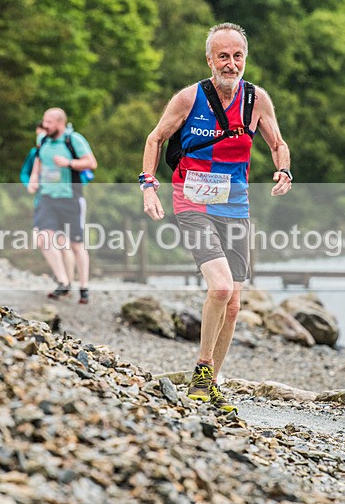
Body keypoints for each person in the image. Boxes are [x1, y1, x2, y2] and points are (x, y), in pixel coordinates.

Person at [140, 23, 293, 412]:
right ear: (209, 59)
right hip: (192, 201)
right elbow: (155, 138)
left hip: (236, 205)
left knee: (234, 303)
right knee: (221, 288)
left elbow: (278, 143)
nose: (231, 64)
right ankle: (202, 371)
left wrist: (284, 170)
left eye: (237, 56)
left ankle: (210, 386)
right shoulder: (189, 98)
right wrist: (148, 186)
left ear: (245, 58)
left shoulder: (256, 100)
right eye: (222, 56)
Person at [27, 108, 97, 303]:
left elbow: (91, 163)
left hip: (70, 197)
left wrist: (69, 163)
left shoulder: (73, 140)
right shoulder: (43, 140)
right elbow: (38, 162)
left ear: (59, 123)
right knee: (42, 238)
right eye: (44, 121)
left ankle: (84, 287)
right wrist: (33, 179)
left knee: (76, 245)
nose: (45, 125)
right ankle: (63, 282)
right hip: (47, 197)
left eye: (48, 122)